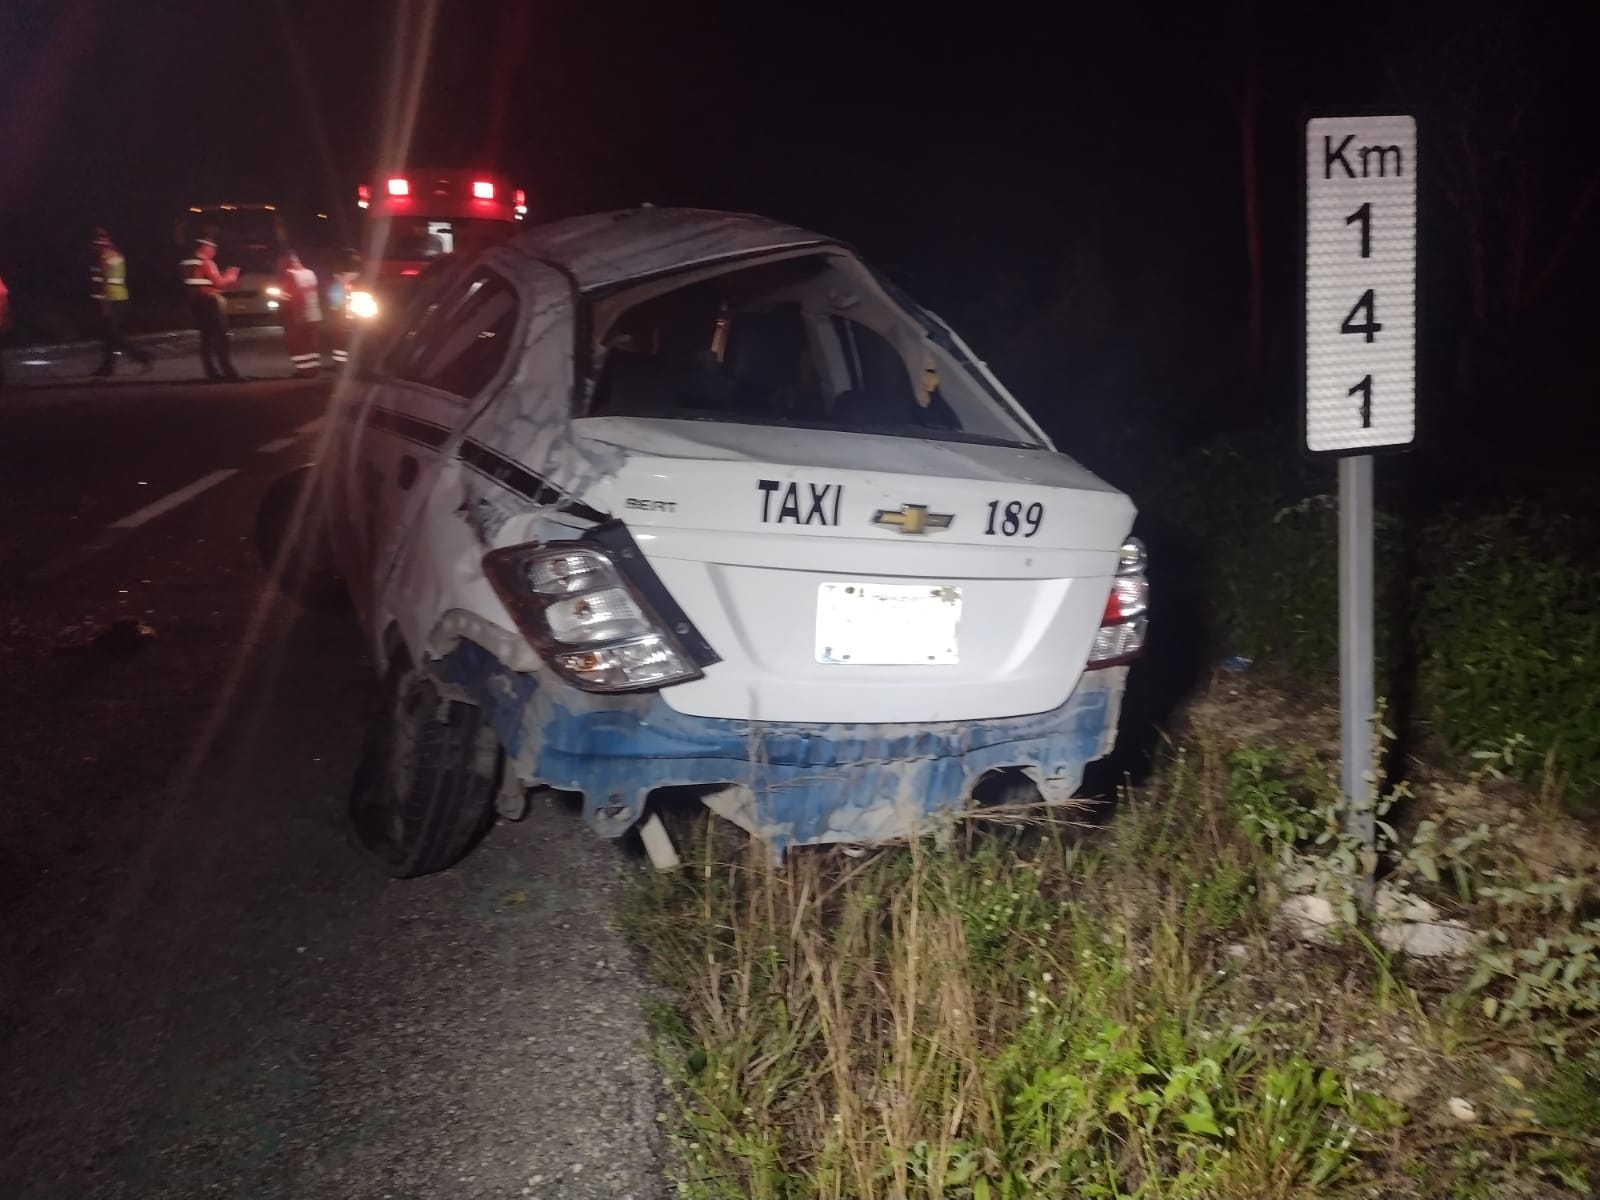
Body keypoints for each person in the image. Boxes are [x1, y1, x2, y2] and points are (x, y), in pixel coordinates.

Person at [90, 227, 153, 377]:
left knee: (113, 335)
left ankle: (142, 357)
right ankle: (107, 367)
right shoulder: (116, 255)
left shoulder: (104, 258)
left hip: (111, 299)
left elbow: (103, 283)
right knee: (110, 335)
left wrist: (103, 303)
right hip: (120, 298)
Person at [179, 238, 242, 381]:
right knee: (221, 337)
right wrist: (230, 276)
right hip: (210, 302)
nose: (214, 252)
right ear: (205, 248)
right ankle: (229, 373)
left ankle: (211, 373)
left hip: (195, 302)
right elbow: (220, 283)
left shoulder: (186, 263)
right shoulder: (207, 262)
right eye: (213, 249)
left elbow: (195, 283)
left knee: (206, 338)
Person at [276, 250, 322, 378]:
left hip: (298, 315)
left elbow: (286, 296)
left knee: (297, 345)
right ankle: (314, 369)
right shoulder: (310, 273)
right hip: (314, 314)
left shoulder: (289, 275)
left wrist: (279, 297)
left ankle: (304, 371)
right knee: (312, 343)